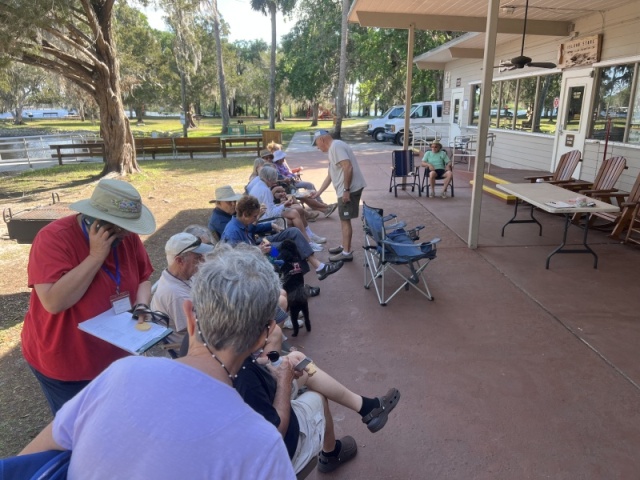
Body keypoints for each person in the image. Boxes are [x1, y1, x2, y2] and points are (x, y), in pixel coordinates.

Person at [18, 244, 296, 479]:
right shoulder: (262, 444)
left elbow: (29, 459)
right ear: (265, 334)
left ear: (189, 315)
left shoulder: (121, 373)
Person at [20, 179, 156, 415]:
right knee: (78, 428)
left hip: (115, 353)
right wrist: (95, 256)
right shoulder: (53, 239)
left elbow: (144, 276)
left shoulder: (126, 237)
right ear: (95, 220)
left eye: (128, 227)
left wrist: (142, 304)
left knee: (112, 417)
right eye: (120, 227)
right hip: (68, 362)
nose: (126, 233)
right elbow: (54, 302)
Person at [235, 322, 401, 474]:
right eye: (266, 326)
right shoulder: (244, 374)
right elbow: (274, 432)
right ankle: (331, 453)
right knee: (318, 396)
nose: (270, 328)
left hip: (261, 403)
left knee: (301, 363)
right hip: (279, 449)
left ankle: (367, 408)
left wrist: (276, 365)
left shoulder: (227, 354)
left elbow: (255, 371)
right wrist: (284, 381)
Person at [222, 195, 343, 281]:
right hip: (257, 255)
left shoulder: (242, 222)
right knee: (288, 247)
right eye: (254, 216)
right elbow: (237, 260)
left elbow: (253, 228)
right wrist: (259, 250)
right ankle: (297, 288)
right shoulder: (232, 232)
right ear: (244, 214)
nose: (255, 218)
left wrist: (270, 225)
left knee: (293, 232)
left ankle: (318, 267)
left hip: (260, 244)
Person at [310, 129, 367, 263]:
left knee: (345, 220)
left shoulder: (336, 147)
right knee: (343, 220)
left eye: (317, 144)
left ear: (322, 139)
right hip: (345, 189)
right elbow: (330, 175)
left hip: (349, 190)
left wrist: (346, 190)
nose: (317, 147)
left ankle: (346, 253)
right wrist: (318, 193)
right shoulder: (334, 148)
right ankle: (344, 246)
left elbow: (348, 167)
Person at [150, 232, 214, 345]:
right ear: (179, 260)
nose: (203, 260)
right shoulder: (175, 295)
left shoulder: (178, 276)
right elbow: (198, 330)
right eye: (198, 257)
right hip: (193, 346)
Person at [249, 165, 326, 250]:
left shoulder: (260, 184)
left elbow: (268, 206)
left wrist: (281, 204)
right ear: (269, 179)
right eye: (273, 179)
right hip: (264, 219)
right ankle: (308, 241)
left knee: (298, 208)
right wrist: (283, 205)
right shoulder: (265, 190)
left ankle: (309, 235)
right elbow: (270, 213)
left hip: (263, 215)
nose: (275, 182)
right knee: (294, 213)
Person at [272, 150, 338, 218]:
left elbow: (288, 173)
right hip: (288, 185)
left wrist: (294, 175)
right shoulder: (274, 167)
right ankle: (325, 207)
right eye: (282, 157)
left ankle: (324, 209)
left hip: (291, 183)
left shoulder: (282, 164)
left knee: (305, 193)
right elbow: (282, 179)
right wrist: (290, 179)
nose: (284, 158)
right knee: (303, 195)